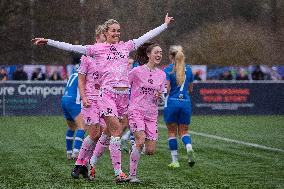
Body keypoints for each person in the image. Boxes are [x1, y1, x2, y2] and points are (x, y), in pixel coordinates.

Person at [32, 13, 174, 183]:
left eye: (118, 31)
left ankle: (90, 163)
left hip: (123, 97)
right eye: (113, 30)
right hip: (106, 94)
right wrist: (48, 41)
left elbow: (146, 37)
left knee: (107, 133)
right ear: (106, 32)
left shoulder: (125, 47)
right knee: (115, 130)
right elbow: (71, 47)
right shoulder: (96, 49)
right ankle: (118, 172)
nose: (116, 33)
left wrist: (164, 25)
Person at [71, 25, 107, 179]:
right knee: (94, 133)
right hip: (91, 100)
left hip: (106, 100)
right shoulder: (87, 57)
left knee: (102, 135)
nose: (106, 41)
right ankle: (79, 164)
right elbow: (81, 79)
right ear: (97, 38)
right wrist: (84, 97)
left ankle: (84, 164)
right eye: (104, 38)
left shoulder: (110, 57)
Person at [127, 43, 166, 183]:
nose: (159, 55)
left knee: (150, 151)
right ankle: (132, 175)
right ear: (148, 54)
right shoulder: (136, 71)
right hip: (136, 110)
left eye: (161, 52)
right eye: (156, 52)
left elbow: (162, 97)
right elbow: (125, 85)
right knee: (140, 140)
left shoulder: (162, 75)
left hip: (152, 114)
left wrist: (160, 96)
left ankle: (134, 149)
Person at [163, 45, 195, 168]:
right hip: (185, 102)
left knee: (172, 132)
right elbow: (191, 89)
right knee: (184, 131)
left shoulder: (169, 69)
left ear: (171, 56)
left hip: (172, 102)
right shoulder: (189, 69)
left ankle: (175, 161)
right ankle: (189, 147)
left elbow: (166, 88)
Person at [61, 66, 86, 161]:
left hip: (64, 99)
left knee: (71, 127)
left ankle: (69, 153)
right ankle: (76, 153)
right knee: (82, 127)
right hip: (73, 101)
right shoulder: (82, 76)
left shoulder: (73, 74)